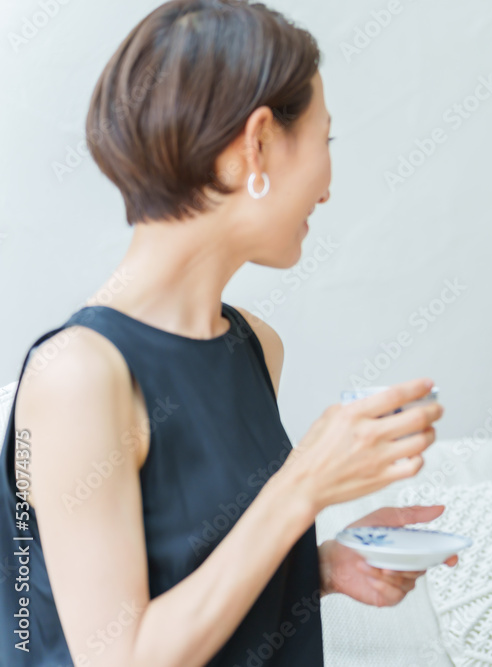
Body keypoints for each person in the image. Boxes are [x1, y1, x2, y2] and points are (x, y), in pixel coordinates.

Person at [0, 1, 454, 665]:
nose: (327, 187)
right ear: (257, 145)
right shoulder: (77, 375)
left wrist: (320, 567)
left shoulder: (255, 346)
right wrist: (301, 486)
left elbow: (198, 577)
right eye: (324, 142)